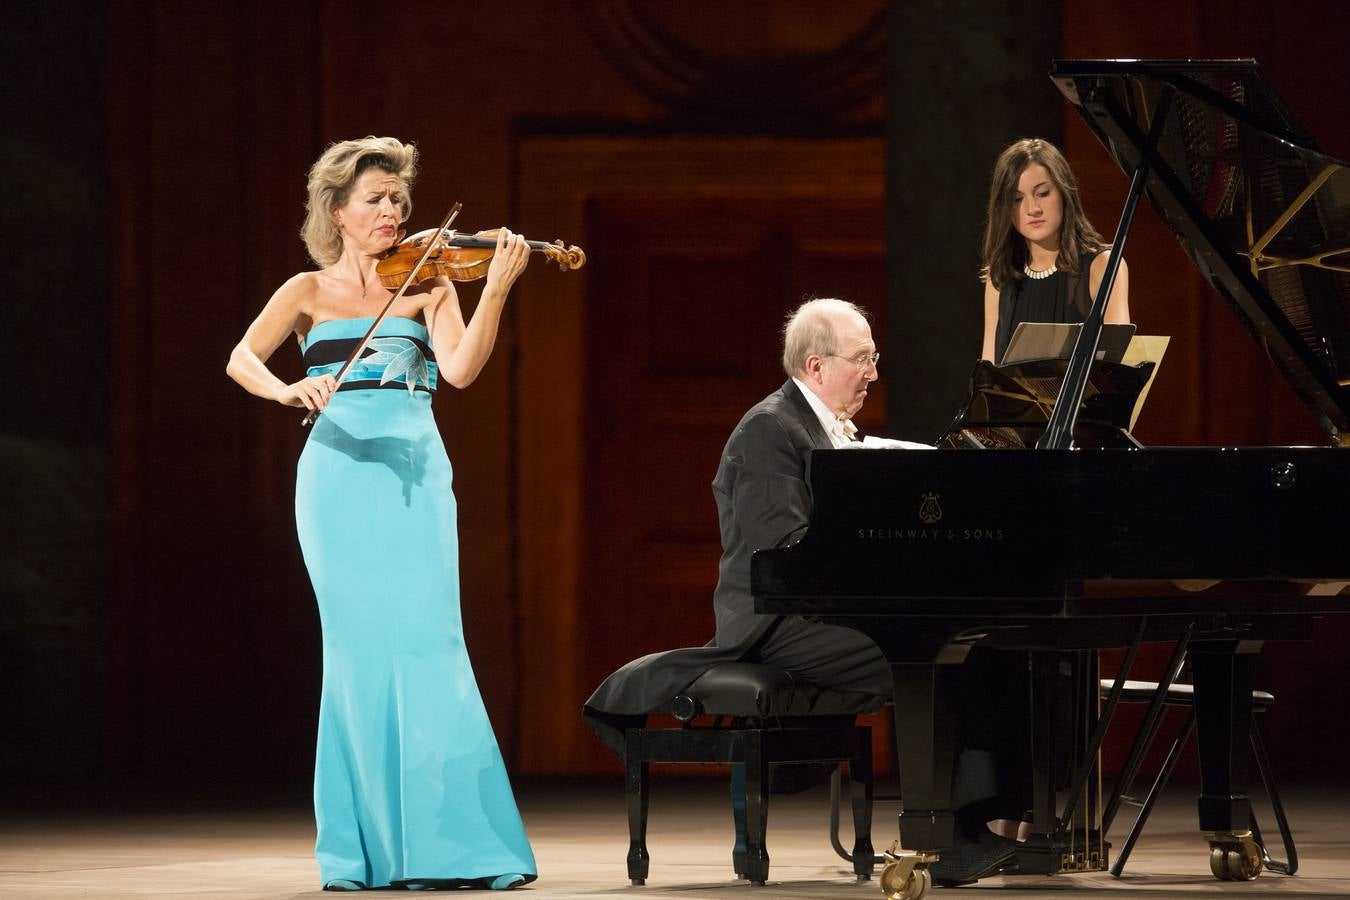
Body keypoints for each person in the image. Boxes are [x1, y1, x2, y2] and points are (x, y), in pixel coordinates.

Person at [226, 136, 536, 891]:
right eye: (375, 199)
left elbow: (460, 372)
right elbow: (241, 357)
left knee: (432, 646)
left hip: (414, 475)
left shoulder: (430, 285)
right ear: (337, 211)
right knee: (359, 655)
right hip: (336, 482)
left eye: (398, 199)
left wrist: (493, 287)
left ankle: (455, 847)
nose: (392, 211)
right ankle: (364, 851)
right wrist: (287, 390)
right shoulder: (305, 291)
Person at [583, 297, 892, 755]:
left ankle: (974, 812)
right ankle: (942, 817)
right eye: (861, 359)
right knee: (930, 655)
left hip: (824, 612)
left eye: (874, 357)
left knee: (954, 649)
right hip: (778, 624)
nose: (873, 373)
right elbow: (787, 548)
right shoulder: (768, 429)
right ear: (816, 366)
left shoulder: (824, 427)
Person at [981, 137, 1130, 364]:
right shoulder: (999, 278)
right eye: (1017, 199)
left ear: (1063, 192)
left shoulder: (1104, 266)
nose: (1032, 209)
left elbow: (1117, 370)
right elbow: (989, 376)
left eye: (1042, 193)